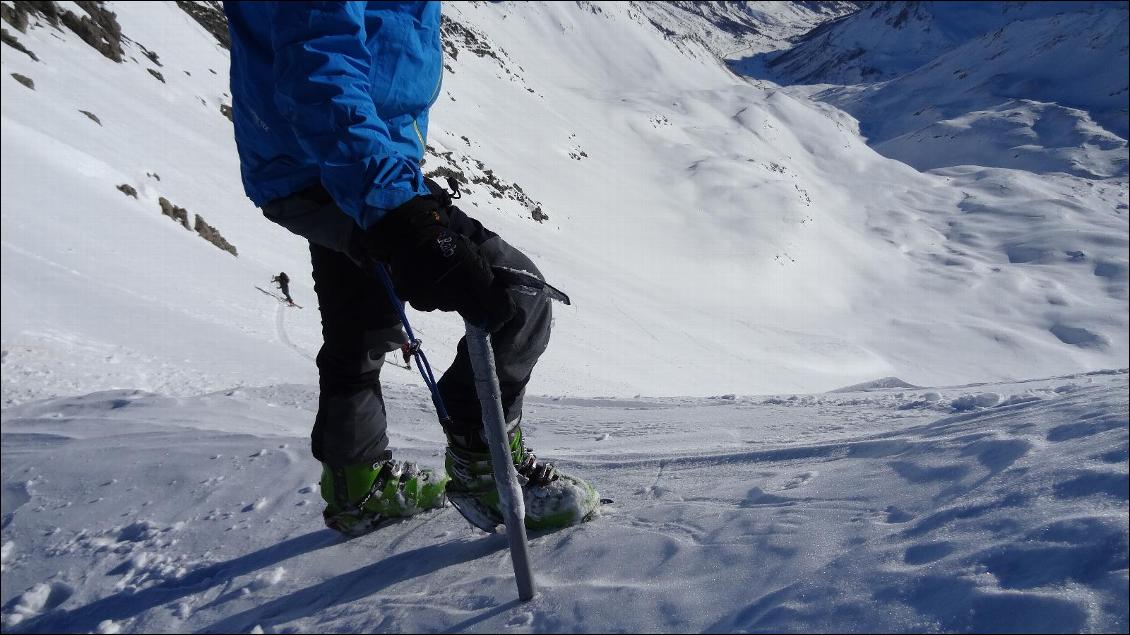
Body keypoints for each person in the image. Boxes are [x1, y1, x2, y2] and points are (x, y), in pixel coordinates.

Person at [224, 1, 598, 536]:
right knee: (513, 296)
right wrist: (400, 213)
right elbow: (319, 63)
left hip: (329, 160)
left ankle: (360, 486)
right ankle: (485, 470)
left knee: (363, 322)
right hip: (341, 165)